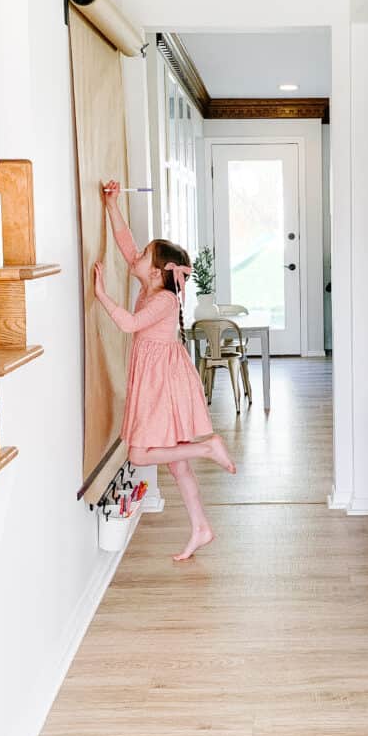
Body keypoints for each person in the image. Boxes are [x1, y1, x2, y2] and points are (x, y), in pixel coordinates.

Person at [93, 179, 235, 561]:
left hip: (163, 381)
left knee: (139, 455)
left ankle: (208, 446)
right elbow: (126, 244)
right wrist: (111, 204)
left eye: (143, 254)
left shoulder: (164, 302)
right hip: (158, 375)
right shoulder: (152, 286)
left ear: (156, 272)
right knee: (177, 466)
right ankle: (201, 527)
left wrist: (102, 294)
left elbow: (127, 324)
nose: (134, 255)